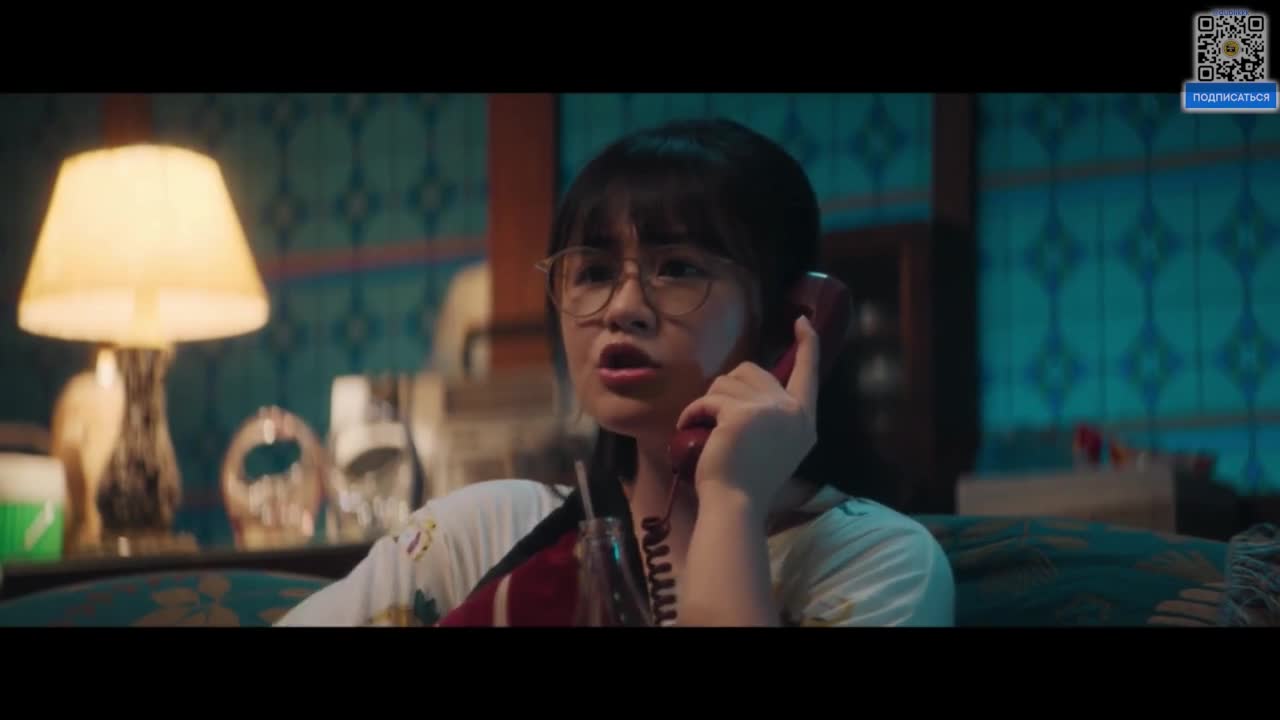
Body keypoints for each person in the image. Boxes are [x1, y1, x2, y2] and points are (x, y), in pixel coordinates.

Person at [278, 118, 955, 628]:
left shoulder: (877, 561)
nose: (623, 307)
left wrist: (732, 501)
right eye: (594, 272)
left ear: (790, 319)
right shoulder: (487, 531)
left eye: (679, 268)